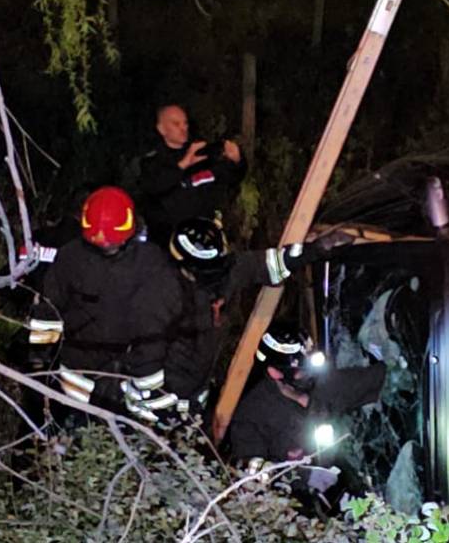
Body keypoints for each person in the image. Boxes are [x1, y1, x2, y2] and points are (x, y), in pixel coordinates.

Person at [119, 216, 354, 428]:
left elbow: (267, 264)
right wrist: (164, 408)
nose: (214, 278)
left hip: (191, 398)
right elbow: (145, 360)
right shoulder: (158, 297)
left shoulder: (220, 273)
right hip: (149, 412)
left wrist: (316, 250)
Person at [27, 186, 183, 422]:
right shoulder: (72, 258)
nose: (106, 244)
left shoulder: (149, 263)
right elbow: (48, 311)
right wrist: (40, 359)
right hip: (83, 369)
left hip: (121, 371)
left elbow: (160, 319)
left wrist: (40, 358)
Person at [229, 322, 386, 515]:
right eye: (303, 371)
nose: (311, 375)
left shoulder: (325, 386)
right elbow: (250, 472)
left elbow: (377, 379)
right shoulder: (252, 415)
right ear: (275, 373)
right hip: (292, 509)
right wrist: (303, 477)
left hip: (342, 486)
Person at [137, 104, 246, 243]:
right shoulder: (151, 163)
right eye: (176, 124)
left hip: (203, 240)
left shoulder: (202, 154)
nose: (183, 128)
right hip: (167, 244)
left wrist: (236, 161)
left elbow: (231, 178)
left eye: (185, 123)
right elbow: (153, 187)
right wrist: (182, 165)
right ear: (161, 129)